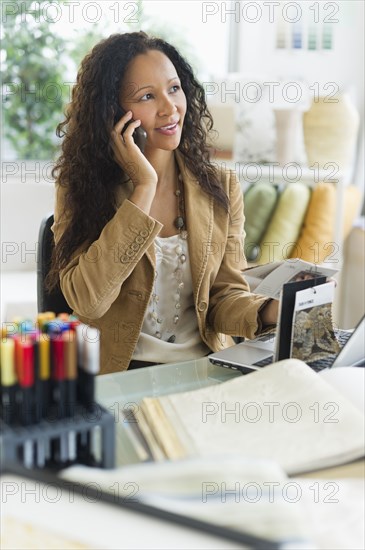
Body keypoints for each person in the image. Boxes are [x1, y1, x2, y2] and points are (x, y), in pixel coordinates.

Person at [48, 31, 278, 374]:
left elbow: (224, 296)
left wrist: (271, 310)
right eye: (147, 96)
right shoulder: (81, 187)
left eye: (174, 88)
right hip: (123, 374)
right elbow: (88, 302)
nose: (170, 108)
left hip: (206, 367)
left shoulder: (220, 186)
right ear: (113, 112)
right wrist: (144, 187)